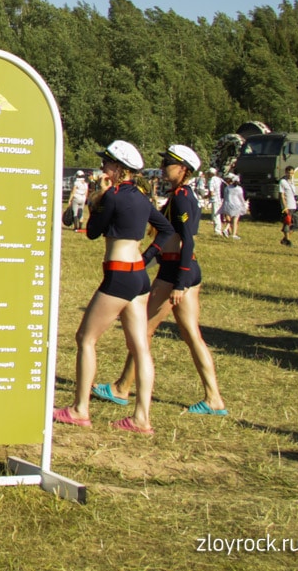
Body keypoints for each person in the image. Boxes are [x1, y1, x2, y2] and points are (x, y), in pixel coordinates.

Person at [54, 140, 171, 436]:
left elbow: (93, 232)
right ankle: (141, 418)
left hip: (119, 275)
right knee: (140, 347)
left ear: (119, 169)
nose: (102, 166)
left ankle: (80, 409)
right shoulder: (142, 198)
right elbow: (166, 229)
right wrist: (148, 256)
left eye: (106, 162)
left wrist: (99, 197)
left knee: (85, 338)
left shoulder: (114, 196)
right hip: (138, 275)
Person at [100, 145, 227, 416]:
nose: (163, 166)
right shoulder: (182, 195)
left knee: (143, 330)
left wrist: (179, 282)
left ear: (183, 169)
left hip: (175, 271)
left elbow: (187, 241)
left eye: (169, 162)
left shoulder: (181, 198)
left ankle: (122, 387)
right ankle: (214, 398)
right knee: (191, 334)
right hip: (183, 269)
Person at [221, 174, 247, 239]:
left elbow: (225, 197)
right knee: (235, 220)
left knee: (229, 219)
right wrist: (244, 204)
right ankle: (233, 234)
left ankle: (226, 229)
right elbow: (241, 198)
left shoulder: (227, 188)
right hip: (236, 205)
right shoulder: (239, 189)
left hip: (228, 204)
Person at [278, 166, 298, 246]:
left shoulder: (292, 181)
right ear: (286, 172)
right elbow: (282, 195)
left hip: (294, 205)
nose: (290, 174)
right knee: (287, 223)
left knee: (296, 224)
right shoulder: (283, 182)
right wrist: (285, 207)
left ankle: (285, 239)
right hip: (288, 206)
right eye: (289, 173)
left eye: (292, 173)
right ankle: (288, 241)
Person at [207, 167, 225, 236]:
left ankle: (217, 231)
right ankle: (219, 229)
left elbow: (211, 193)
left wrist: (206, 196)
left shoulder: (211, 181)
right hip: (220, 199)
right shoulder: (219, 179)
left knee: (215, 215)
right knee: (218, 215)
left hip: (214, 199)